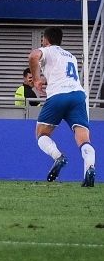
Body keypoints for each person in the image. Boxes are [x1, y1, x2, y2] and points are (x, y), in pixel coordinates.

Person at [29, 26, 96, 186]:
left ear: (46, 40)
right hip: (78, 96)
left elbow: (33, 56)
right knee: (83, 139)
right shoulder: (70, 56)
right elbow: (63, 76)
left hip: (59, 96)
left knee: (41, 134)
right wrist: (45, 80)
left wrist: (37, 80)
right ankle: (90, 166)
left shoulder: (48, 50)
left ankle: (58, 157)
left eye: (43, 39)